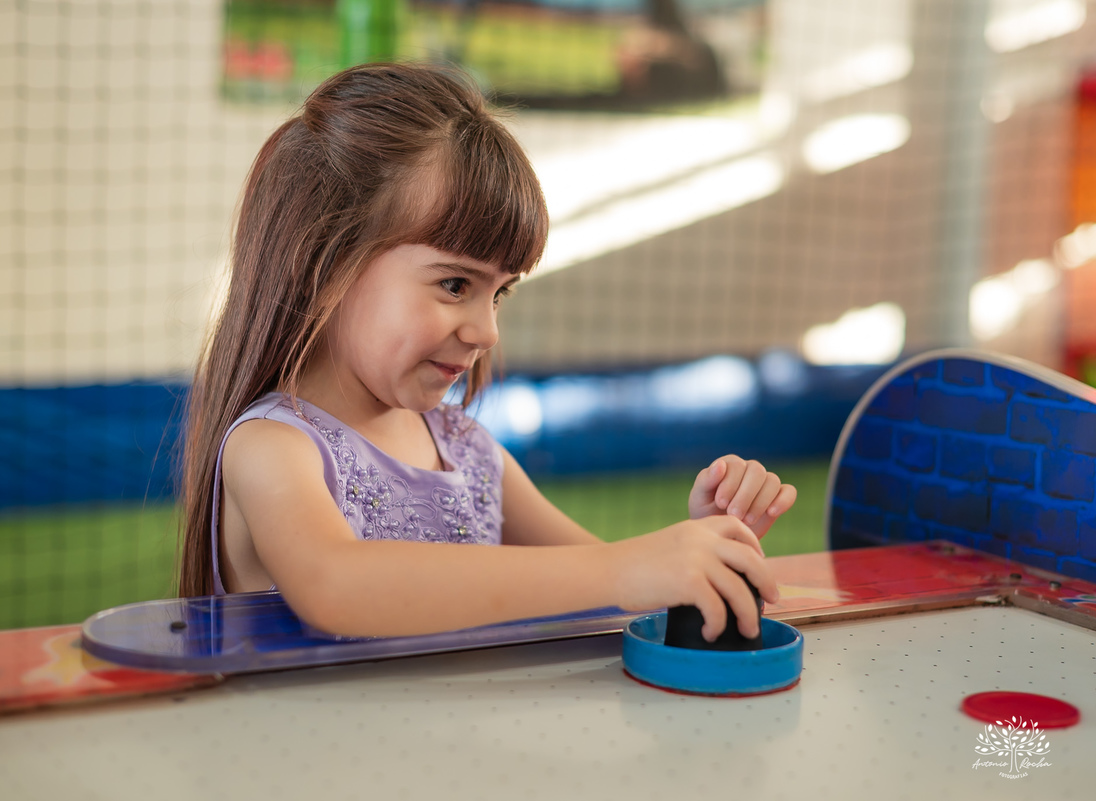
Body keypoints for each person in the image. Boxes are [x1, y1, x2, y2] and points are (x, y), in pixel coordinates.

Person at [177, 63, 796, 641]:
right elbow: (338, 586)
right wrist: (628, 569)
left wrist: (700, 540)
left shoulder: (471, 454)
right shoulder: (272, 449)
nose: (486, 330)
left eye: (499, 293)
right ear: (322, 262)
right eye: (454, 285)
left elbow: (612, 582)